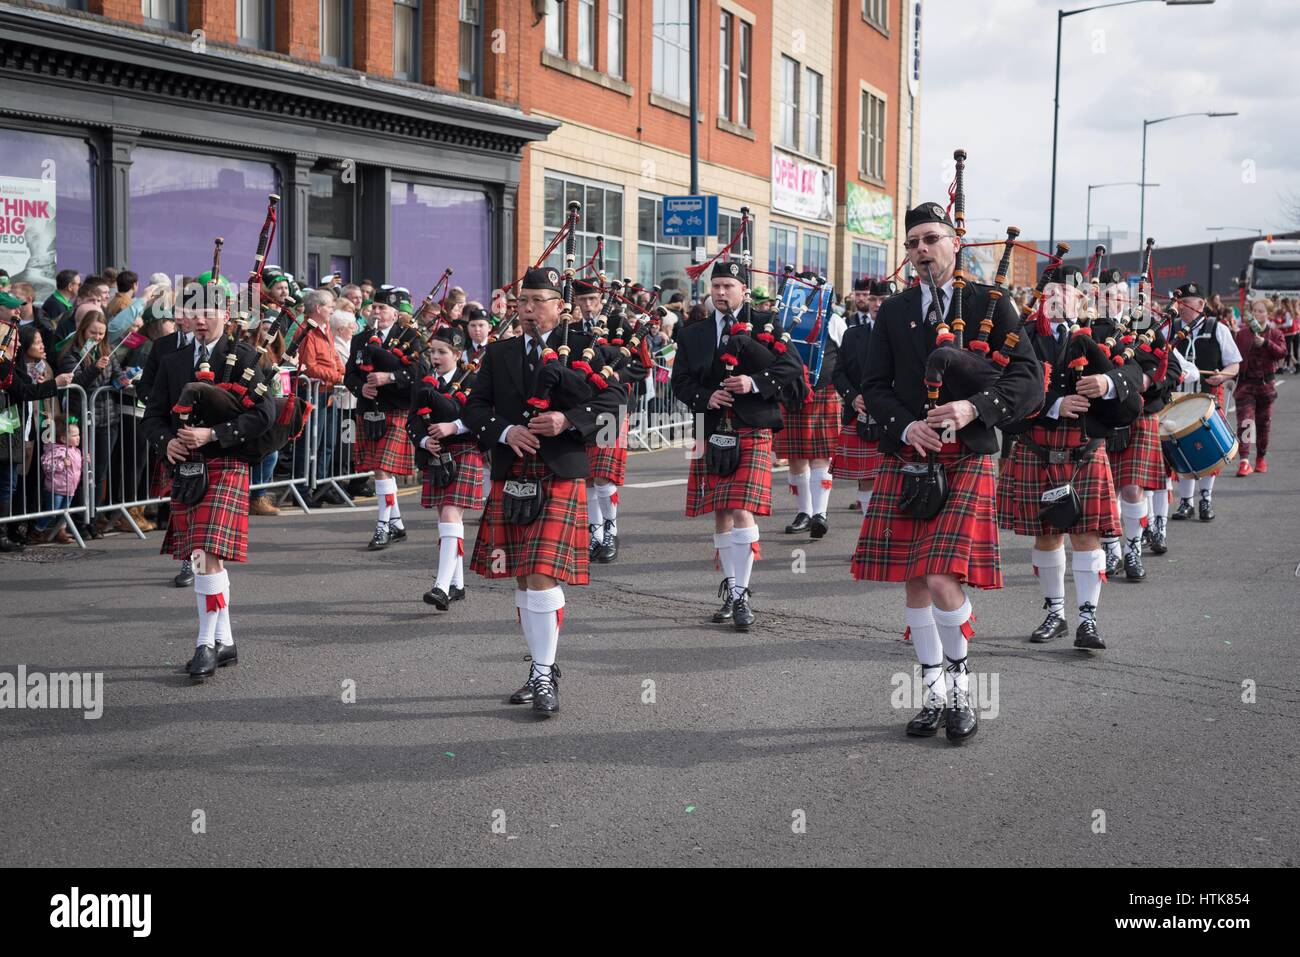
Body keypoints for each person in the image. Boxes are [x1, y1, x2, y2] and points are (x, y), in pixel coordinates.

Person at [855, 201, 1042, 744]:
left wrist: (973, 408)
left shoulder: (991, 302)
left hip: (968, 456)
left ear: (954, 243)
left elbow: (1029, 383)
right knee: (914, 581)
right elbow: (875, 386)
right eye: (912, 242)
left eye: (930, 239)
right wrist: (907, 425)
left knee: (940, 575)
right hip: (910, 456)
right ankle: (932, 690)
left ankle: (960, 686)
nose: (920, 251)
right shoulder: (894, 312)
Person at [462, 266, 624, 715]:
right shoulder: (500, 353)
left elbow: (613, 408)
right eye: (522, 301)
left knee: (540, 573)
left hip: (559, 471)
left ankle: (542, 672)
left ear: (559, 307)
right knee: (521, 573)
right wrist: (505, 430)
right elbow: (475, 407)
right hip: (511, 470)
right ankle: (541, 665)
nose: (528, 309)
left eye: (537, 301)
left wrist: (568, 420)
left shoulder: (586, 351)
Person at [141, 271, 276, 680]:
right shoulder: (173, 360)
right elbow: (153, 416)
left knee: (204, 554)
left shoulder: (246, 358)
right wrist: (167, 443)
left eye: (208, 312)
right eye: (193, 312)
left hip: (227, 462)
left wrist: (213, 433)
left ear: (227, 313)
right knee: (205, 556)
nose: (200, 320)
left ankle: (204, 645)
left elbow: (264, 415)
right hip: (187, 468)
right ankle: (226, 640)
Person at [998, 265, 1131, 649]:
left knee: (1086, 536)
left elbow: (1135, 379)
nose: (1058, 299)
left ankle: (1087, 620)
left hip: (1084, 451)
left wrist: (1107, 383)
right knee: (1047, 535)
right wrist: (1055, 404)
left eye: (1067, 293)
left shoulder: (1104, 335)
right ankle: (1055, 613)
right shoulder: (1021, 338)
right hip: (1038, 448)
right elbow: (1007, 390)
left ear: (1081, 298)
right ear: (1043, 298)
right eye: (1051, 292)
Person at [671, 258, 803, 631]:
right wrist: (705, 397)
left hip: (753, 425)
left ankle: (741, 594)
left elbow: (791, 367)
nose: (721, 292)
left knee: (742, 507)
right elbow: (679, 382)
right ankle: (731, 589)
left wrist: (753, 383)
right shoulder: (692, 333)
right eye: (716, 287)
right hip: (712, 427)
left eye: (728, 286)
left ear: (744, 291)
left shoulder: (764, 323)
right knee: (721, 512)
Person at [1091, 268, 1169, 582]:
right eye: (1110, 295)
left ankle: (1133, 550)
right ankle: (1112, 550)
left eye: (1121, 295)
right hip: (1101, 418)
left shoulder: (1146, 323)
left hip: (1140, 413)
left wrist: (1143, 382)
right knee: (1105, 491)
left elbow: (1168, 366)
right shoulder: (1091, 328)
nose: (1116, 300)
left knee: (1133, 489)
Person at [410, 325, 485, 610]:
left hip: (465, 449)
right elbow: (412, 422)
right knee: (444, 516)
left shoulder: (474, 381)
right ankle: (457, 583)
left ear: (457, 354)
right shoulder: (425, 383)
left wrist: (454, 426)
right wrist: (425, 440)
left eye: (442, 352)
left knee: (452, 512)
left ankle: (440, 587)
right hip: (437, 453)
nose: (436, 357)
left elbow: (481, 416)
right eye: (432, 351)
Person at [343, 286, 424, 549]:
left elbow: (420, 372)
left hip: (398, 409)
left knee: (382, 469)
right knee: (382, 469)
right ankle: (396, 523)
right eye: (374, 307)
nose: (376, 312)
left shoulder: (410, 336)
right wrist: (360, 387)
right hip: (369, 410)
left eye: (382, 308)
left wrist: (390, 377)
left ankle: (382, 526)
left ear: (395, 313)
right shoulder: (361, 338)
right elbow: (350, 374)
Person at [1167, 281, 1241, 522]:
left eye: (1186, 304)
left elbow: (1234, 363)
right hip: (1178, 398)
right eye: (1179, 304)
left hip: (1207, 397)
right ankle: (1186, 502)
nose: (1181, 309)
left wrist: (1224, 375)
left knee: (1209, 450)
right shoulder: (1171, 328)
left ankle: (1205, 500)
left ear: (1201, 305)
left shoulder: (1218, 328)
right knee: (1181, 448)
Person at [775, 282, 842, 541]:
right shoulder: (782, 322)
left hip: (824, 389)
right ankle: (804, 512)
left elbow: (846, 356)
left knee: (821, 456)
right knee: (796, 456)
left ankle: (819, 514)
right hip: (792, 391)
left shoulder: (834, 321)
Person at [832, 278, 894, 516]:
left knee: (890, 478)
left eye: (883, 300)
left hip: (894, 414)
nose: (877, 304)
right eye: (874, 299)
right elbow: (839, 373)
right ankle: (870, 538)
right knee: (867, 478)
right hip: (861, 414)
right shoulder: (852, 334)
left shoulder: (905, 335)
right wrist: (853, 397)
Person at [292, 289, 347, 506]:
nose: (333, 309)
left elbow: (333, 357)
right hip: (313, 393)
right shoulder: (306, 331)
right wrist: (338, 376)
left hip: (327, 392)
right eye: (330, 306)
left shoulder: (326, 330)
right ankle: (304, 489)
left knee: (327, 443)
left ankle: (321, 486)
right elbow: (310, 367)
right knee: (309, 445)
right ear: (318, 308)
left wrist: (341, 372)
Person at [1233, 297, 1288, 476]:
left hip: (1266, 386)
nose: (1257, 314)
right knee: (1245, 422)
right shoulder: (1241, 334)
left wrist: (1265, 343)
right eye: (1254, 311)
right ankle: (1244, 460)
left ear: (1268, 314)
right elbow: (1234, 357)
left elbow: (1282, 353)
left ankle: (1261, 458)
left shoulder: (1276, 334)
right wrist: (1230, 378)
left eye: (1261, 311)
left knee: (1263, 424)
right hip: (1245, 385)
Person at [35, 420, 82, 544]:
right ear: (63, 438)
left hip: (70, 488)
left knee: (64, 513)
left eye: (78, 435)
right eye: (74, 435)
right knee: (52, 512)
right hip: (56, 488)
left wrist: (84, 460)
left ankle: (60, 532)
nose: (78, 438)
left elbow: (76, 468)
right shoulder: (56, 450)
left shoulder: (76, 451)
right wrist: (61, 464)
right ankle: (37, 530)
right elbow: (46, 465)